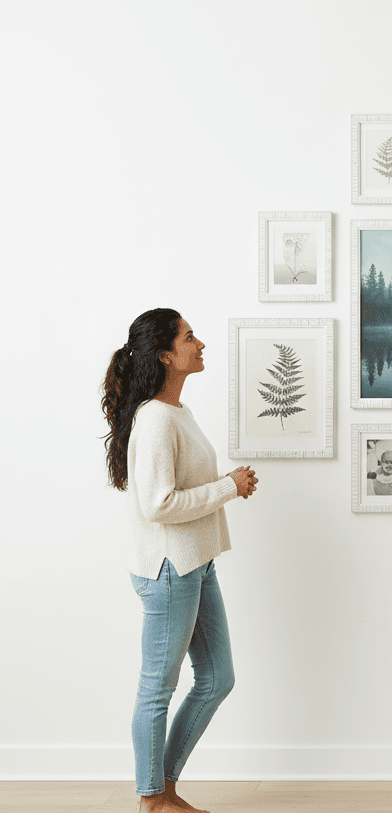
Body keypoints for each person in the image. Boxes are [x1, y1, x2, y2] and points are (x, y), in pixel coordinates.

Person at [101, 308, 257, 813]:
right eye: (190, 337)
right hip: (169, 570)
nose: (200, 343)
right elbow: (159, 505)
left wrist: (226, 486)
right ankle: (152, 799)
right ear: (166, 355)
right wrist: (228, 487)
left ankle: (161, 788)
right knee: (157, 689)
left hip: (195, 562)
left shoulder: (176, 412)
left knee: (217, 679)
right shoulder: (154, 419)